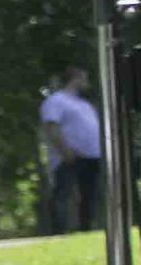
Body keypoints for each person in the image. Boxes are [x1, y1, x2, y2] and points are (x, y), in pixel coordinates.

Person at [41, 65, 103, 233]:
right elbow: (51, 126)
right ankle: (58, 232)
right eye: (84, 79)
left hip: (91, 157)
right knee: (63, 193)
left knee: (89, 195)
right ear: (75, 79)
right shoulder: (56, 100)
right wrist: (64, 150)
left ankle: (86, 229)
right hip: (69, 156)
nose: (87, 83)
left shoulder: (84, 105)